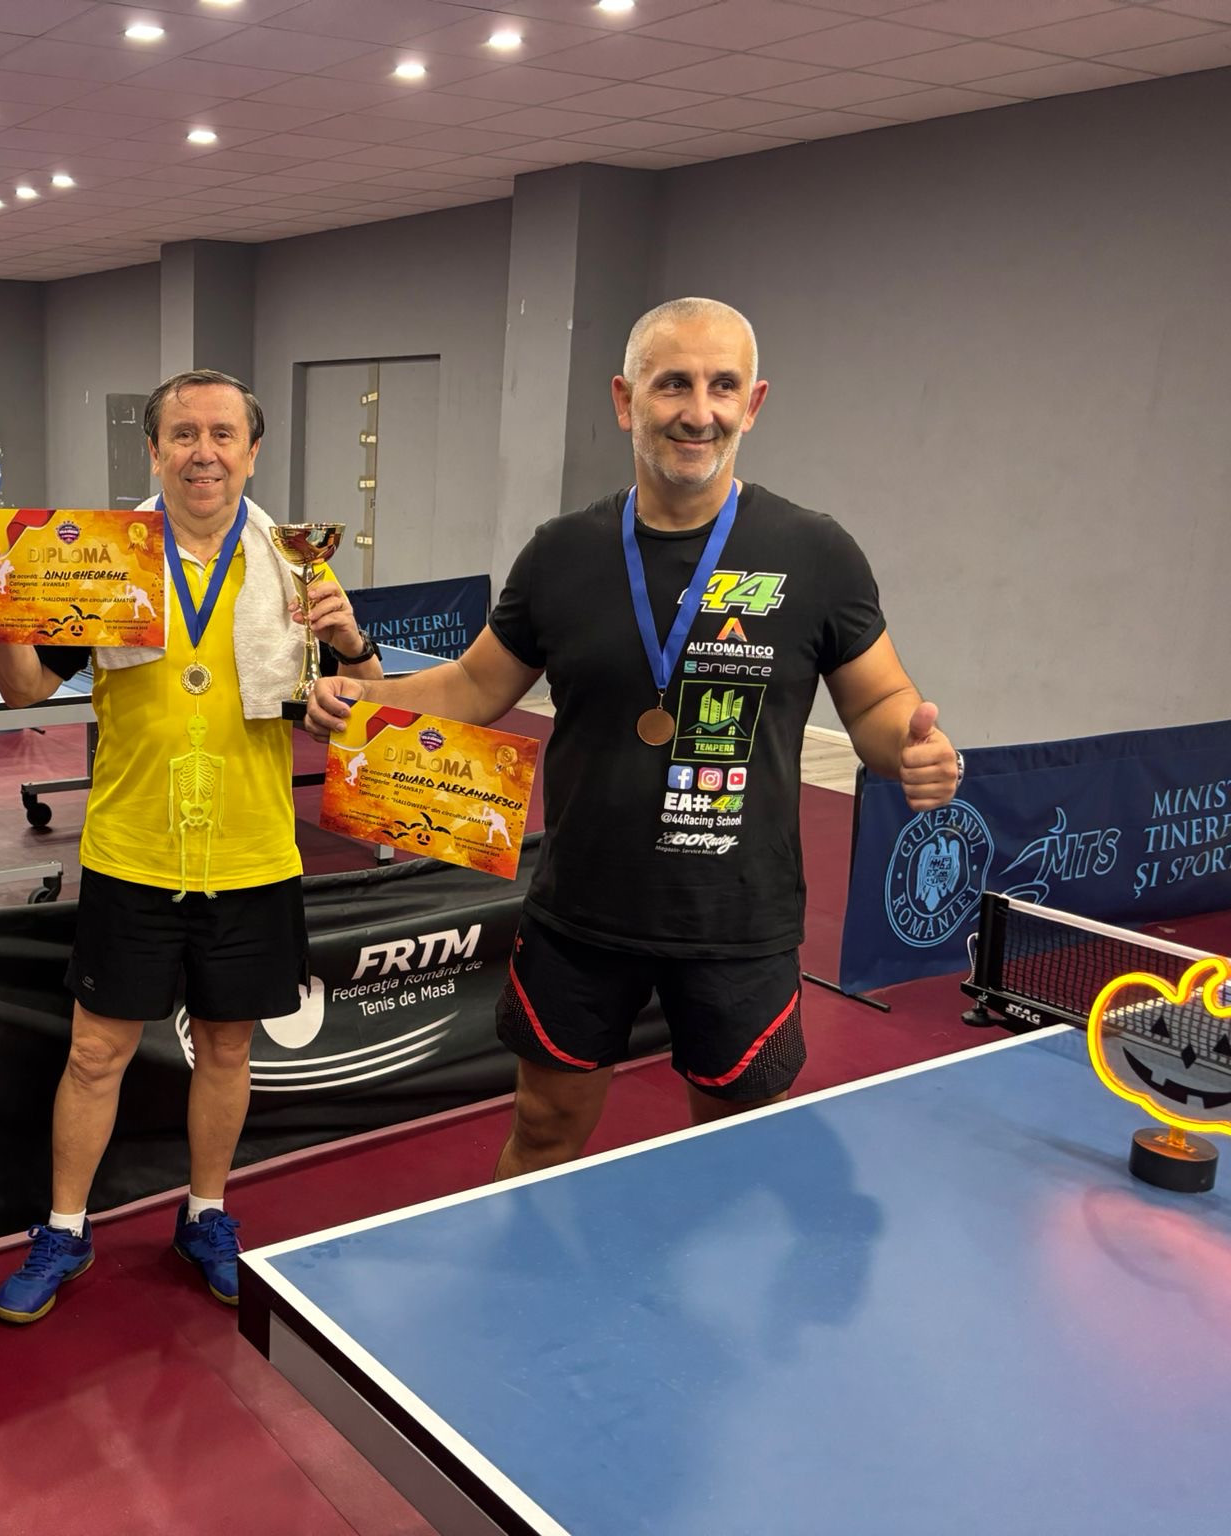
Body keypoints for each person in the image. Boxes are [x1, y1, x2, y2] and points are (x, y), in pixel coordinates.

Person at [305, 298, 961, 1178]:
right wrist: (367, 697)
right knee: (543, 1130)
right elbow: (474, 685)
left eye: (723, 386)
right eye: (673, 384)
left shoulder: (816, 552)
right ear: (625, 400)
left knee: (734, 1157)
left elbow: (879, 698)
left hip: (738, 919)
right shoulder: (562, 552)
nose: (700, 411)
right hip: (583, 909)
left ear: (754, 402)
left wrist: (907, 749)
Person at [0, 368, 381, 1323]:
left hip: (254, 854)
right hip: (133, 852)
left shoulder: (300, 563)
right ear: (153, 451)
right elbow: (24, 689)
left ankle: (205, 1214)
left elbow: (365, 707)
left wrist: (352, 650)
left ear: (252, 451)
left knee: (227, 1050)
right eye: (183, 434)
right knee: (94, 1054)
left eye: (223, 434)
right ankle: (65, 1228)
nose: (204, 452)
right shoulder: (105, 558)